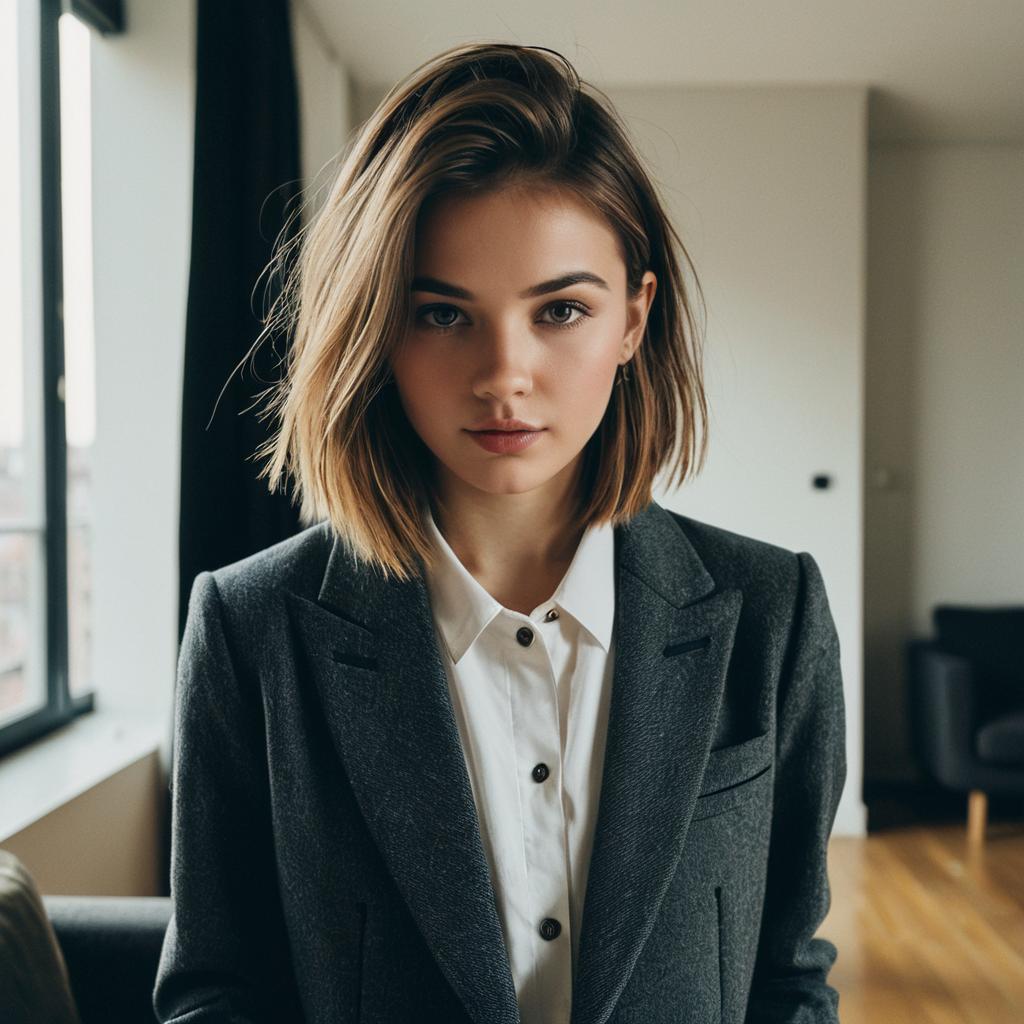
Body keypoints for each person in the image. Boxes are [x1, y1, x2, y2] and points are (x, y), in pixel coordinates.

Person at [153, 42, 846, 1024]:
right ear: (377, 327)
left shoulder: (772, 614)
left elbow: (788, 976)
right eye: (442, 313)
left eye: (560, 308)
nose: (503, 373)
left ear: (634, 319)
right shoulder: (250, 626)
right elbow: (214, 993)